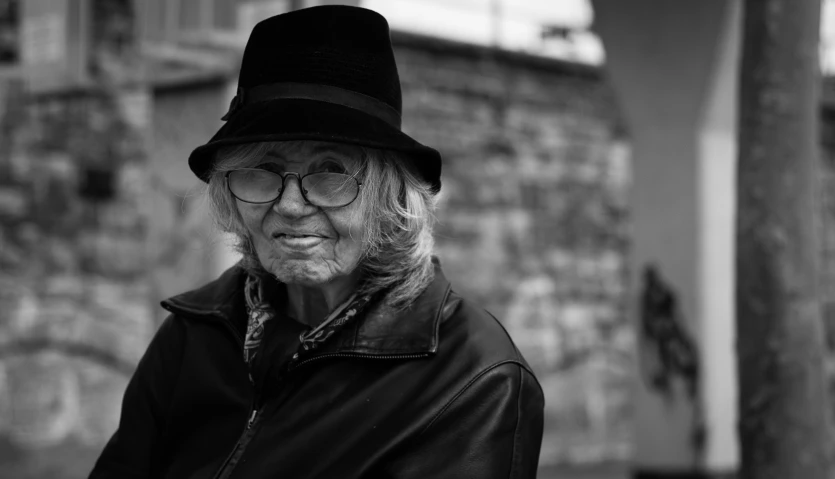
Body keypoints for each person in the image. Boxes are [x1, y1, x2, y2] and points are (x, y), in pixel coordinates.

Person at [89, 5, 544, 478]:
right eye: (262, 171)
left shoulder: (472, 377)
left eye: (331, 172)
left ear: (390, 197)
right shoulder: (195, 332)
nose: (289, 205)